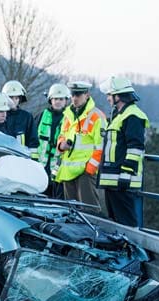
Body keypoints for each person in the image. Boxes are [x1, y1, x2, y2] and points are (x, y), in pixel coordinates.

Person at [98, 77, 149, 227]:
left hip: (122, 180)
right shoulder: (119, 115)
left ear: (118, 96)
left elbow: (136, 147)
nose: (107, 98)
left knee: (127, 224)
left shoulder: (133, 116)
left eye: (109, 95)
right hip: (113, 180)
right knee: (115, 223)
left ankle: (133, 250)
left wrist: (126, 175)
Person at [54, 81, 106, 212]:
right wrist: (61, 145)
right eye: (73, 95)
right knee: (71, 212)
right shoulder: (68, 115)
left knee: (90, 211)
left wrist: (90, 169)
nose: (75, 98)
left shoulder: (96, 116)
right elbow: (61, 135)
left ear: (87, 95)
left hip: (85, 172)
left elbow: (100, 146)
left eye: (78, 95)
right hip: (68, 170)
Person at [35, 83, 71, 199]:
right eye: (55, 99)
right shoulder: (41, 116)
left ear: (66, 101)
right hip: (40, 167)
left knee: (57, 199)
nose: (58, 102)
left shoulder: (70, 119)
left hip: (59, 167)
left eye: (61, 99)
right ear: (50, 100)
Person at [1, 80, 39, 160]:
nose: (13, 100)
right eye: (10, 97)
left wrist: (33, 162)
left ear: (20, 99)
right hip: (1, 158)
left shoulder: (27, 117)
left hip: (21, 160)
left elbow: (33, 142)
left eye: (16, 98)